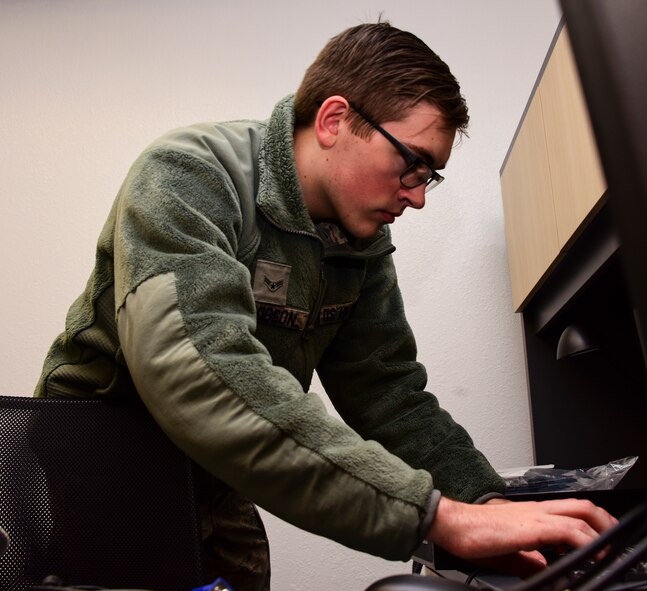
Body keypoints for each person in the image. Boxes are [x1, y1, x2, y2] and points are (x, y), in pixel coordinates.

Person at [35, 21, 616, 590]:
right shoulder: (187, 175)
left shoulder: (359, 240)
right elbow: (202, 373)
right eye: (411, 163)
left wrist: (489, 505)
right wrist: (438, 517)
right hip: (102, 484)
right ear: (336, 119)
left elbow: (387, 393)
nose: (416, 196)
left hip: (217, 483)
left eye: (429, 176)